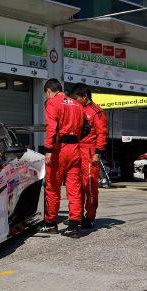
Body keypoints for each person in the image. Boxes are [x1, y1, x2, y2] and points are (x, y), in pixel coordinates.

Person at [39, 78, 84, 238]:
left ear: (49, 91)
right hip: (75, 149)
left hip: (59, 150)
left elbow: (51, 127)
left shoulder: (52, 103)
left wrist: (49, 150)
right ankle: (74, 227)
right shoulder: (77, 105)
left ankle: (51, 224)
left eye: (46, 95)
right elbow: (84, 128)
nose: (46, 98)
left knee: (52, 188)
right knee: (74, 189)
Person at [70, 83, 107, 229]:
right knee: (75, 186)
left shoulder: (97, 112)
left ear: (84, 97)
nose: (74, 100)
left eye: (76, 97)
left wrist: (98, 153)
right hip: (76, 151)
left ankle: (90, 217)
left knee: (90, 187)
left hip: (90, 153)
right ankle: (76, 216)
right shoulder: (77, 108)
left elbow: (102, 134)